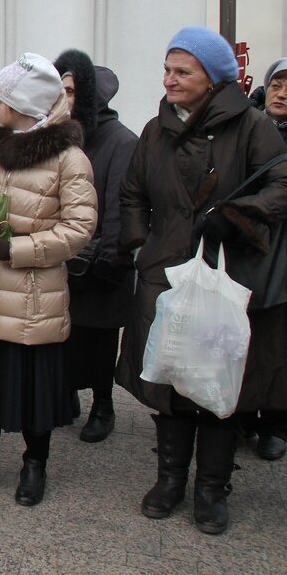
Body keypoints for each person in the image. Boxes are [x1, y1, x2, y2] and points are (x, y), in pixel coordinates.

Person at [117, 27, 287, 535]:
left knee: (216, 384)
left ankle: (212, 488)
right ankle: (169, 478)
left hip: (225, 273)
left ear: (213, 78)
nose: (169, 80)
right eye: (167, 69)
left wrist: (236, 216)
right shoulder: (155, 129)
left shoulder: (254, 127)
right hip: (163, 271)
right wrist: (141, 245)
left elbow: (282, 185)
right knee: (169, 379)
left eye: (181, 71)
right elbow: (132, 194)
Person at [0, 52, 97, 507]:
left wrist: (20, 249)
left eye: (0, 100)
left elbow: (79, 228)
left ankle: (35, 464)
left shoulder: (69, 159)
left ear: (24, 106)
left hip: (34, 296)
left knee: (35, 390)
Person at [53, 51, 138, 445]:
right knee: (65, 335)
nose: (63, 97)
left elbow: (121, 203)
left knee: (99, 339)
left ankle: (103, 405)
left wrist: (107, 259)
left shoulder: (121, 141)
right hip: (64, 256)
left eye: (70, 91)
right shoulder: (60, 136)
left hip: (101, 260)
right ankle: (66, 393)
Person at [248, 57, 287, 460]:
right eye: (277, 84)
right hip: (250, 247)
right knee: (247, 337)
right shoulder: (249, 127)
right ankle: (243, 415)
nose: (283, 93)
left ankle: (276, 422)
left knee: (279, 343)